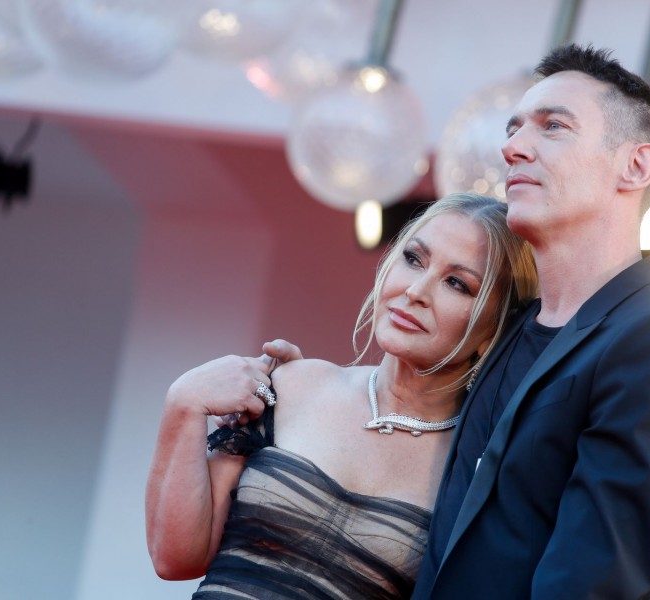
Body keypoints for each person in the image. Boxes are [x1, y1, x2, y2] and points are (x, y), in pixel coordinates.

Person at [266, 43, 650, 599]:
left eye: (552, 126)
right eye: (513, 129)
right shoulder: (509, 330)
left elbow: (595, 583)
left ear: (636, 165)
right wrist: (268, 391)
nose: (512, 148)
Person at [144, 192, 538, 599]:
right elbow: (176, 558)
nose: (415, 290)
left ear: (495, 327)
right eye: (413, 259)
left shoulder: (475, 468)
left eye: (457, 283)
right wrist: (184, 401)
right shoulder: (293, 385)